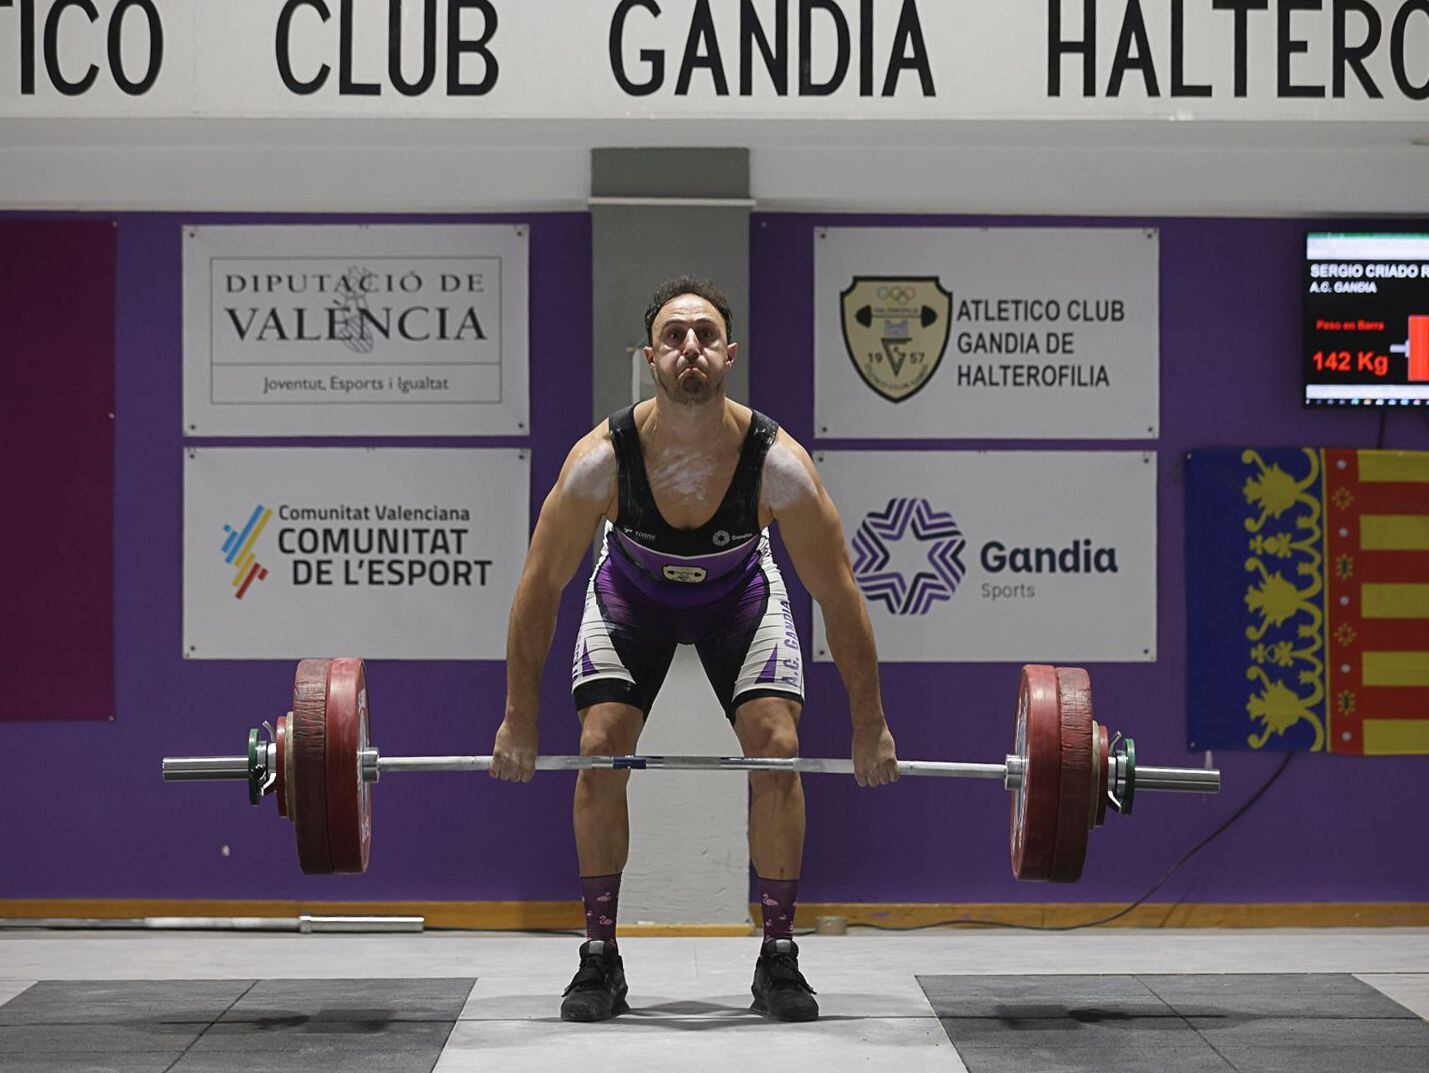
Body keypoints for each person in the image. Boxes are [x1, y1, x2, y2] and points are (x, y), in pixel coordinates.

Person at [490, 276, 899, 1023]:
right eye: (674, 337)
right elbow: (537, 589)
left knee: (776, 749)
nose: (690, 350)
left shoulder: (778, 466)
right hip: (631, 597)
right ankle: (599, 955)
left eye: (705, 336)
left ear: (729, 353)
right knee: (598, 747)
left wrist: (868, 724)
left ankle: (777, 955)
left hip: (736, 598)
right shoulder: (599, 462)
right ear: (648, 355)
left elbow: (839, 600)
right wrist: (519, 718)